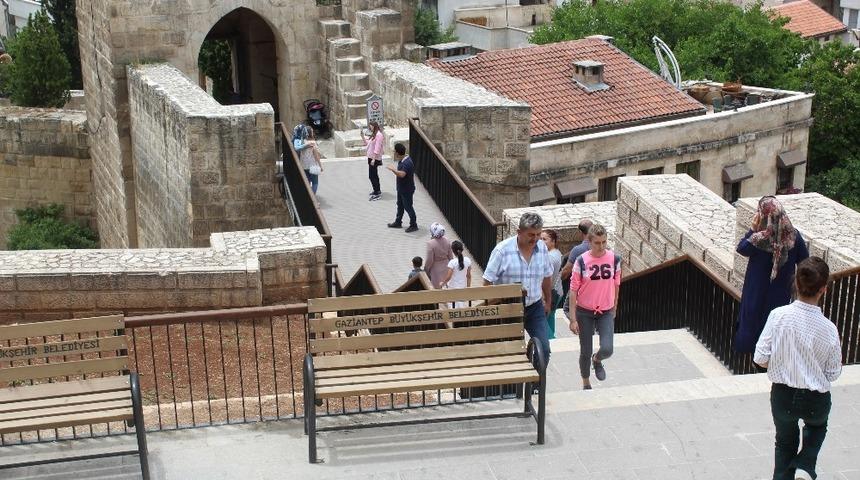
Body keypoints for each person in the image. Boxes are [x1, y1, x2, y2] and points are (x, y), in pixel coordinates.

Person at [754, 257, 842, 480]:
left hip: (783, 394)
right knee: (817, 429)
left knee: (784, 443)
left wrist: (781, 362)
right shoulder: (829, 329)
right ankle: (804, 465)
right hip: (815, 398)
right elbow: (833, 373)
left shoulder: (778, 316)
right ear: (823, 289)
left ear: (796, 284)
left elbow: (760, 357)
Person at [736, 196, 808, 353]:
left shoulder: (759, 238)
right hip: (780, 294)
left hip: (756, 292)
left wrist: (753, 229)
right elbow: (805, 262)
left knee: (752, 324)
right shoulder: (793, 237)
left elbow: (742, 248)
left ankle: (752, 360)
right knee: (774, 328)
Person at [483, 212, 553, 366]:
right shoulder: (502, 250)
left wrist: (548, 301)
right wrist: (492, 308)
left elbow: (547, 276)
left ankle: (535, 386)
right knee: (513, 353)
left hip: (534, 307)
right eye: (530, 235)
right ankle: (515, 386)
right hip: (509, 308)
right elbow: (487, 281)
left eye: (538, 234)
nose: (535, 239)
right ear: (519, 232)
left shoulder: (542, 248)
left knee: (544, 350)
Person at [568, 223, 620, 390]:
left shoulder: (614, 259)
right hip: (585, 311)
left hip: (605, 310)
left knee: (608, 349)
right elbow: (573, 290)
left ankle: (597, 360)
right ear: (589, 242)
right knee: (585, 349)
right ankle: (586, 382)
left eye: (604, 242)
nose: (601, 246)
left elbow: (617, 284)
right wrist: (573, 319)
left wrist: (614, 308)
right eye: (597, 243)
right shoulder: (581, 261)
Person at [560, 218, 594, 316]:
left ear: (580, 232)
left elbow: (566, 271)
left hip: (579, 287)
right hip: (594, 286)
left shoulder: (578, 250)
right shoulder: (598, 247)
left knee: (567, 309)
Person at [385, 143, 418, 233]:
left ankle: (414, 224)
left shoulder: (407, 163)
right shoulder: (402, 160)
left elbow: (402, 174)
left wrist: (393, 169)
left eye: (394, 151)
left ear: (397, 153)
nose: (394, 153)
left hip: (407, 190)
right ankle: (398, 222)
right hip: (401, 189)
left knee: (408, 207)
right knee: (400, 205)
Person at [541, 229, 563, 340]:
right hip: (558, 291)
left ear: (553, 241)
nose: (541, 241)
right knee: (550, 317)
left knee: (542, 319)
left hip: (550, 293)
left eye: (544, 239)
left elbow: (548, 279)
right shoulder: (557, 253)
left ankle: (550, 339)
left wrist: (545, 298)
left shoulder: (550, 257)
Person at [292, 124, 323, 194]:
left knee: (307, 182)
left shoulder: (302, 142)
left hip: (304, 165)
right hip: (313, 165)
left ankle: (308, 197)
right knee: (315, 183)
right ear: (309, 133)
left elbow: (298, 148)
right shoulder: (312, 143)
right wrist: (320, 166)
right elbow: (316, 155)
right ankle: (313, 198)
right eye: (312, 131)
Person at [442, 240, 472, 307]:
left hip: (453, 287)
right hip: (463, 287)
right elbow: (469, 276)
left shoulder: (452, 262)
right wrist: (468, 287)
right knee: (461, 305)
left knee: (452, 306)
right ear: (462, 249)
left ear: (453, 251)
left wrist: (442, 283)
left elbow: (448, 277)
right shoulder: (468, 260)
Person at [424, 222, 453, 289]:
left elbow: (429, 260)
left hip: (436, 268)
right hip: (447, 265)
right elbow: (451, 256)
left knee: (437, 287)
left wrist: (426, 269)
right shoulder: (447, 240)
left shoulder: (430, 243)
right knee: (447, 285)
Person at [363, 121, 384, 200]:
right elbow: (368, 143)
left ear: (374, 126)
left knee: (372, 176)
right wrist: (362, 136)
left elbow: (377, 147)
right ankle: (376, 190)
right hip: (371, 157)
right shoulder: (374, 134)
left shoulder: (379, 135)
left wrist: (374, 159)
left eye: (371, 126)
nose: (370, 128)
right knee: (373, 175)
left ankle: (377, 192)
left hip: (374, 158)